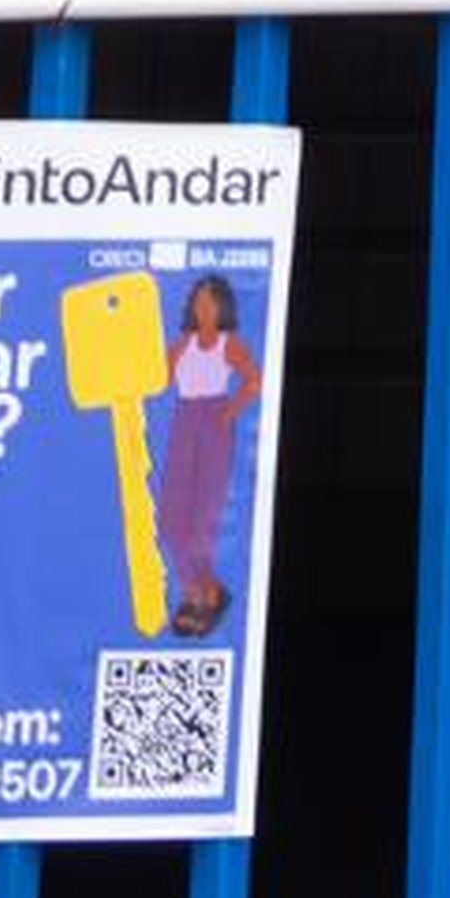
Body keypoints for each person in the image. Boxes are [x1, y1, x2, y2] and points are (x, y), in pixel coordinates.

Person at [156, 270, 263, 637]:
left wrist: (228, 413)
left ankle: (199, 598)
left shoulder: (228, 344)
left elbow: (253, 380)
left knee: (204, 513)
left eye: (211, 302)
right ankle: (206, 590)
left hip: (213, 419)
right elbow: (158, 378)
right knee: (171, 517)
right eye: (199, 302)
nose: (204, 308)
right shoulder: (182, 344)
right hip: (185, 420)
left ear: (222, 307)